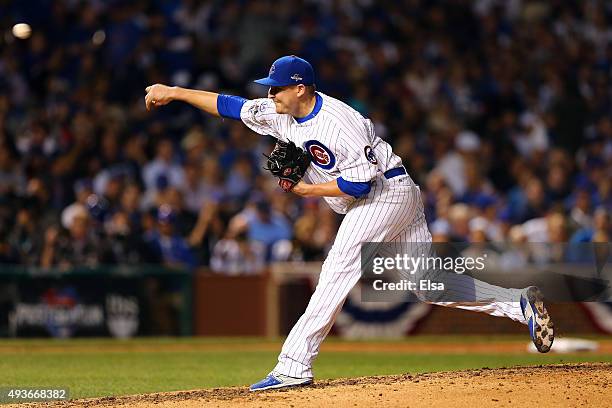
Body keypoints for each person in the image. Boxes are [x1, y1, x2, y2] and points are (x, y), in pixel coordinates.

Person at [144, 55, 554, 391]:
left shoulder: (339, 122)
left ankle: (294, 365)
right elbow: (229, 105)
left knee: (337, 268)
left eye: (277, 87)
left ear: (300, 87)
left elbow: (359, 186)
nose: (269, 94)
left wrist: (306, 192)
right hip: (392, 193)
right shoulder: (278, 112)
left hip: (383, 193)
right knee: (429, 283)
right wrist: (176, 93)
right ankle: (518, 304)